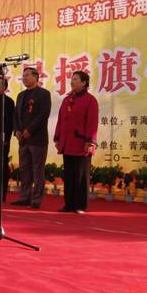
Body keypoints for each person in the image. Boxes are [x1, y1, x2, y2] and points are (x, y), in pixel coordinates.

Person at [54, 71, 99, 214]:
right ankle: (69, 204)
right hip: (67, 143)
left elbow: (92, 123)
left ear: (84, 82)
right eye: (71, 79)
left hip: (81, 144)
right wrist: (57, 138)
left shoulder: (90, 100)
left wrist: (90, 141)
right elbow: (60, 120)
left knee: (81, 176)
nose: (72, 82)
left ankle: (80, 206)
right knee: (69, 176)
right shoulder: (67, 100)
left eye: (75, 79)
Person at [12, 67, 51, 209]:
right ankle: (24, 197)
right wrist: (16, 130)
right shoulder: (21, 95)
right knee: (24, 170)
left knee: (37, 170)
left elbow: (43, 114)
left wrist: (30, 130)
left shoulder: (44, 94)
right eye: (23, 76)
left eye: (27, 75)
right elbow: (16, 115)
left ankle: (36, 200)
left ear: (36, 77)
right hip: (22, 139)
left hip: (37, 139)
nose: (25, 78)